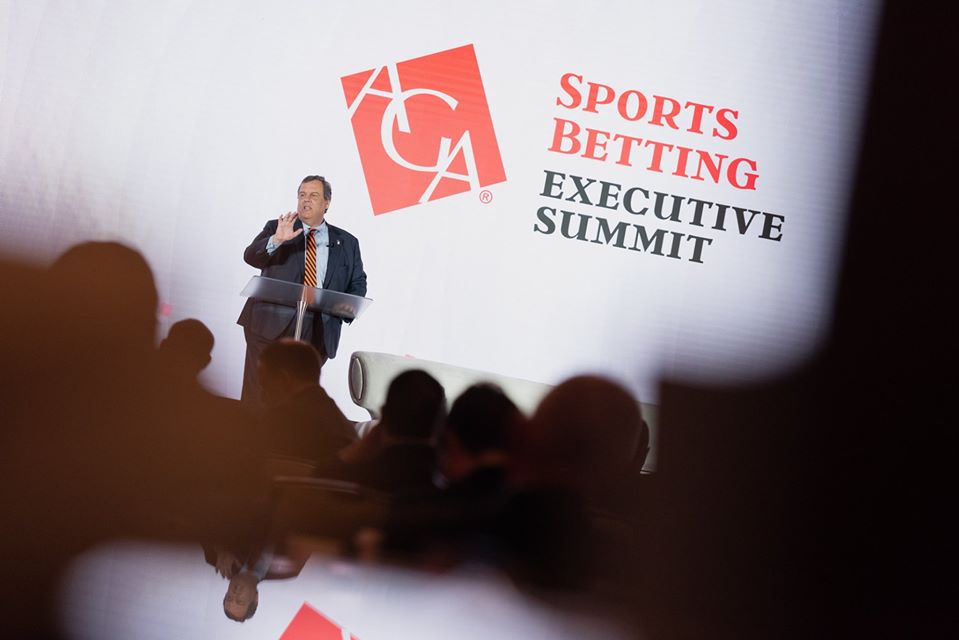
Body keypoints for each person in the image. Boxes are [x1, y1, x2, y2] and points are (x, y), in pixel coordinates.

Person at [238, 175, 367, 404]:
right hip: (270, 324)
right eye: (302, 195)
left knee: (297, 397)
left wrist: (348, 305)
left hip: (319, 329)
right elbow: (251, 257)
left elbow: (358, 282)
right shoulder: (278, 227)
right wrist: (277, 240)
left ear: (326, 203)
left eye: (313, 195)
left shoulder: (347, 242)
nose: (306, 200)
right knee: (259, 394)